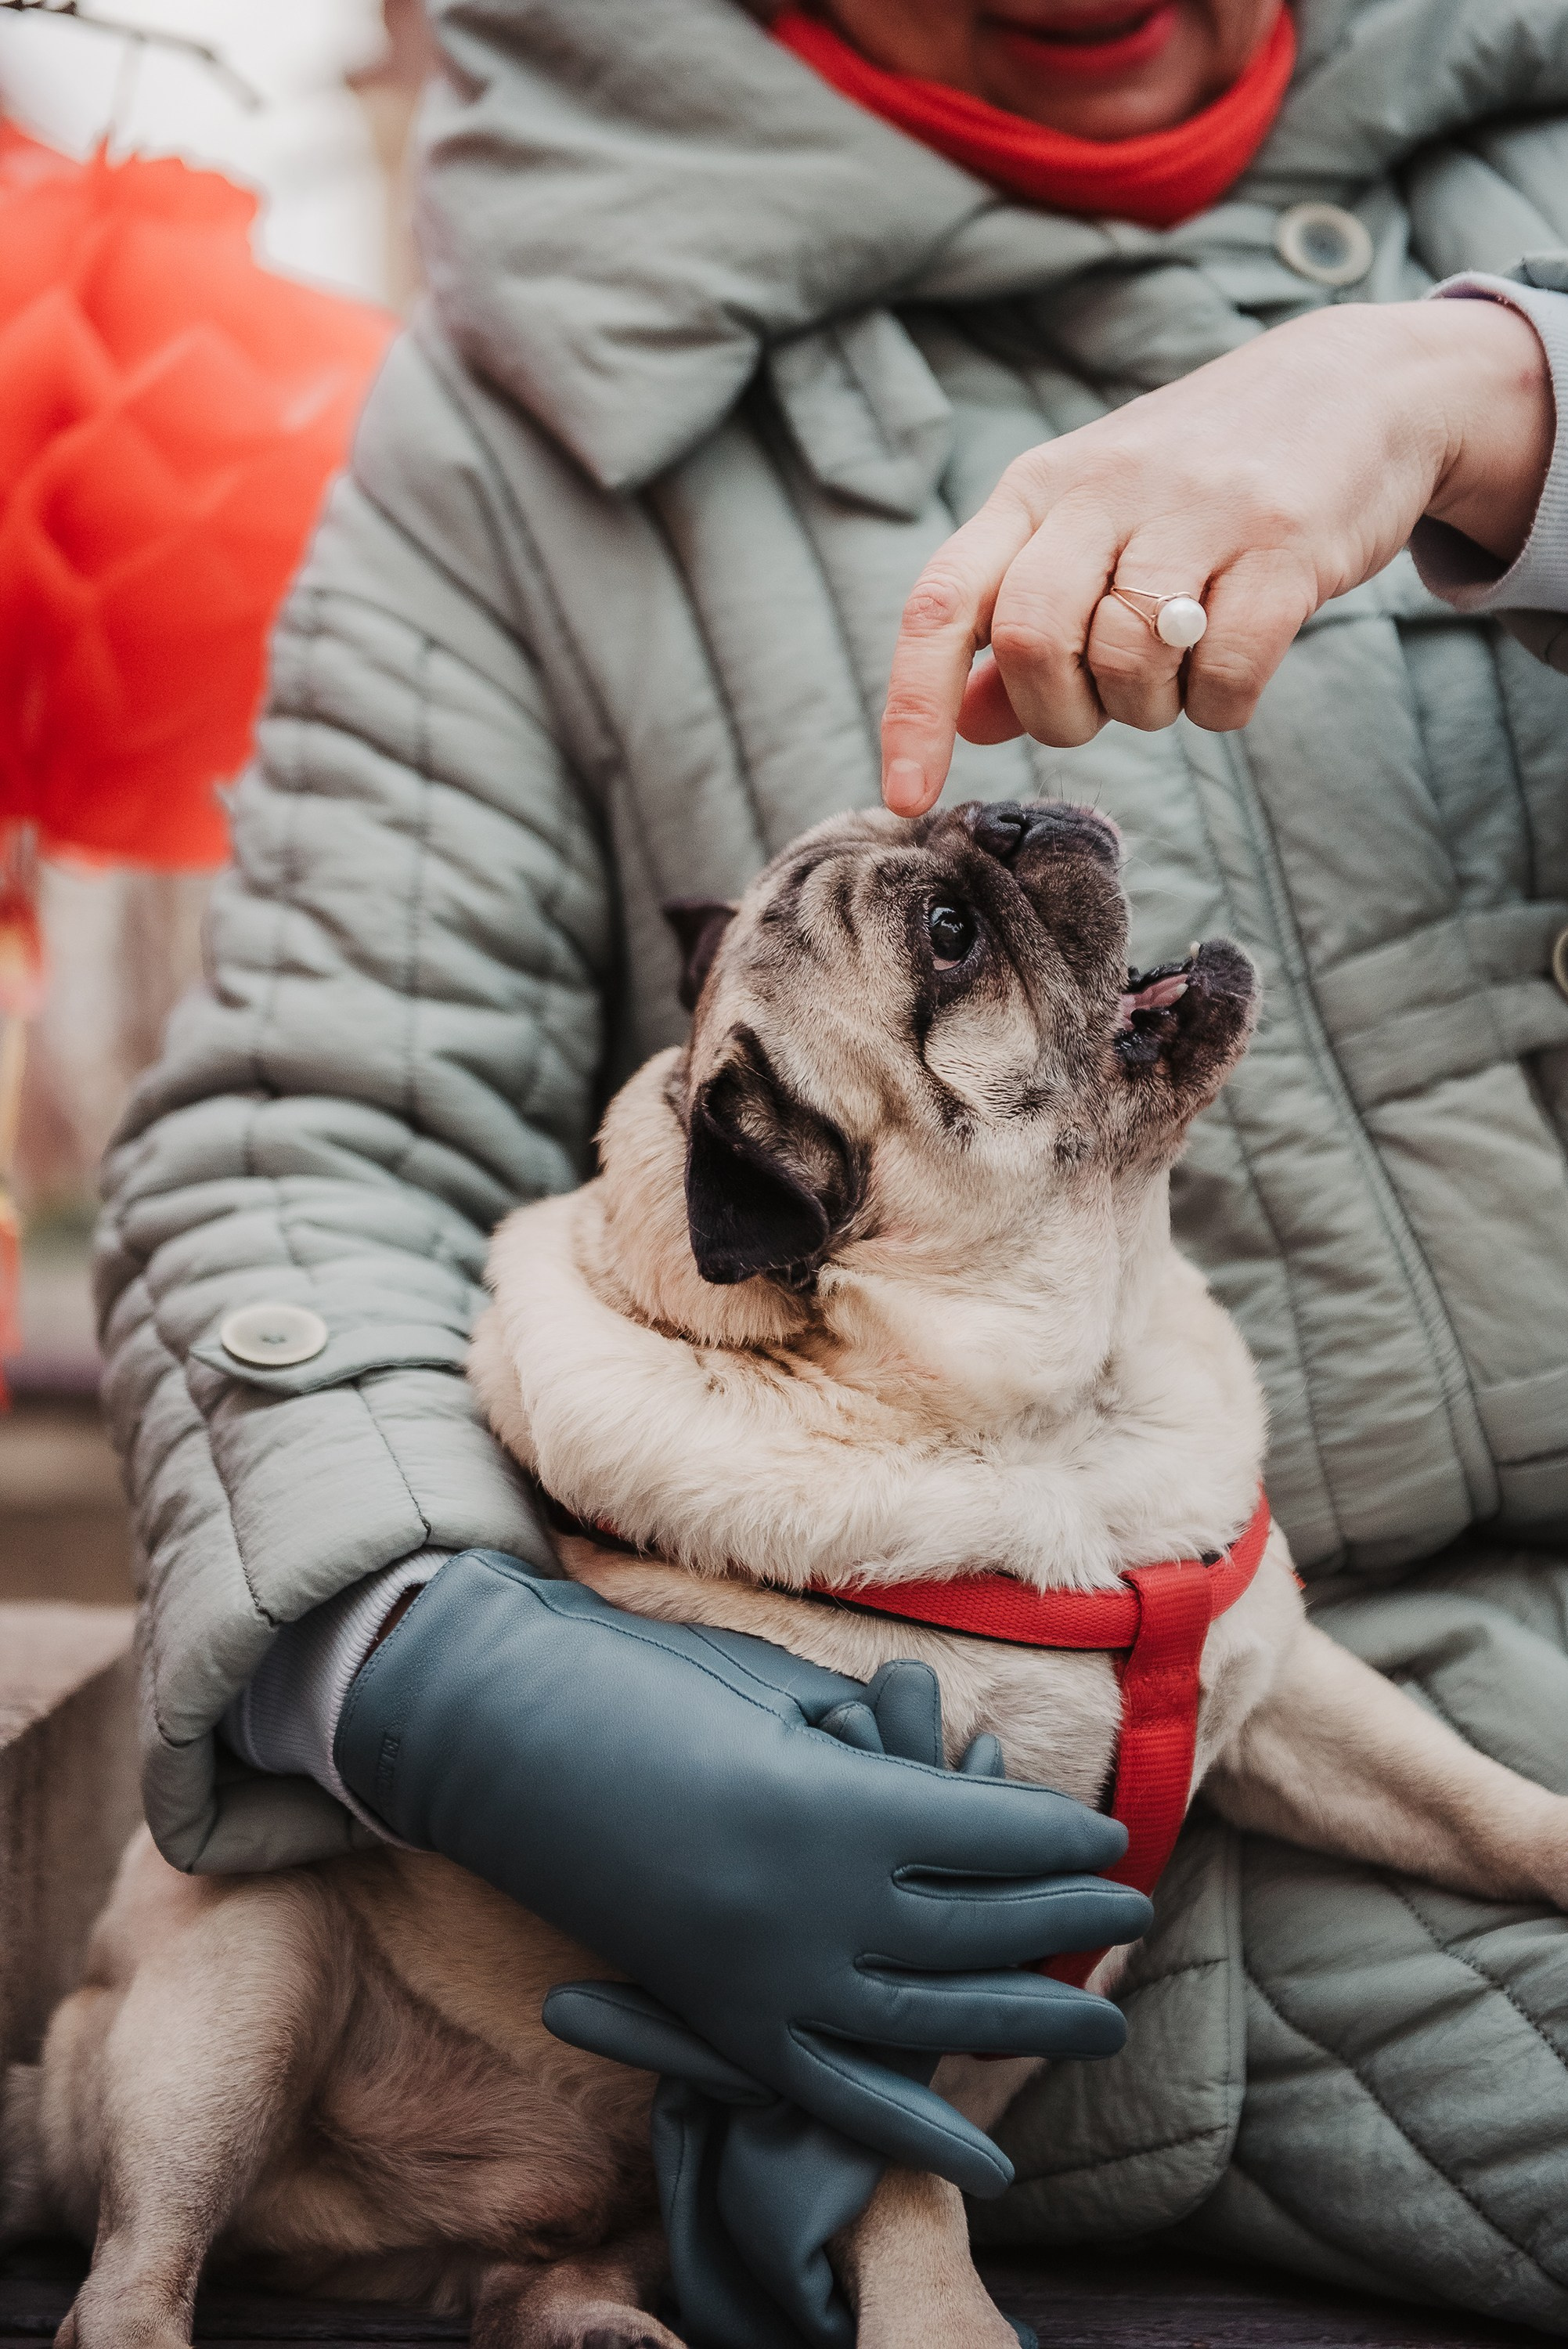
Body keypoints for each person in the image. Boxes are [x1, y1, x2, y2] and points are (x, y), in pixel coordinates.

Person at [99, 1, 1568, 2342]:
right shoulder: (513, 418)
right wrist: (407, 1657)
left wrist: (1501, 394)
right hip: (1163, 1909)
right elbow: (306, 1125)